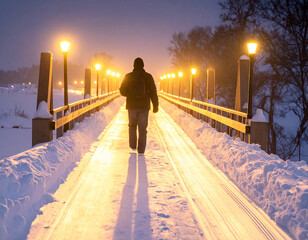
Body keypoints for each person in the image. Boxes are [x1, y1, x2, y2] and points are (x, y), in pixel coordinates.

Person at [119, 57, 159, 154]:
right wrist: (155, 105)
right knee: (142, 128)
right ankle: (141, 150)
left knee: (132, 126)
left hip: (132, 106)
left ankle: (133, 146)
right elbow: (153, 92)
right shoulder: (148, 76)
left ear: (133, 65)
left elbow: (122, 90)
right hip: (144, 107)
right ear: (143, 65)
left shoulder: (128, 76)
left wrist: (130, 93)